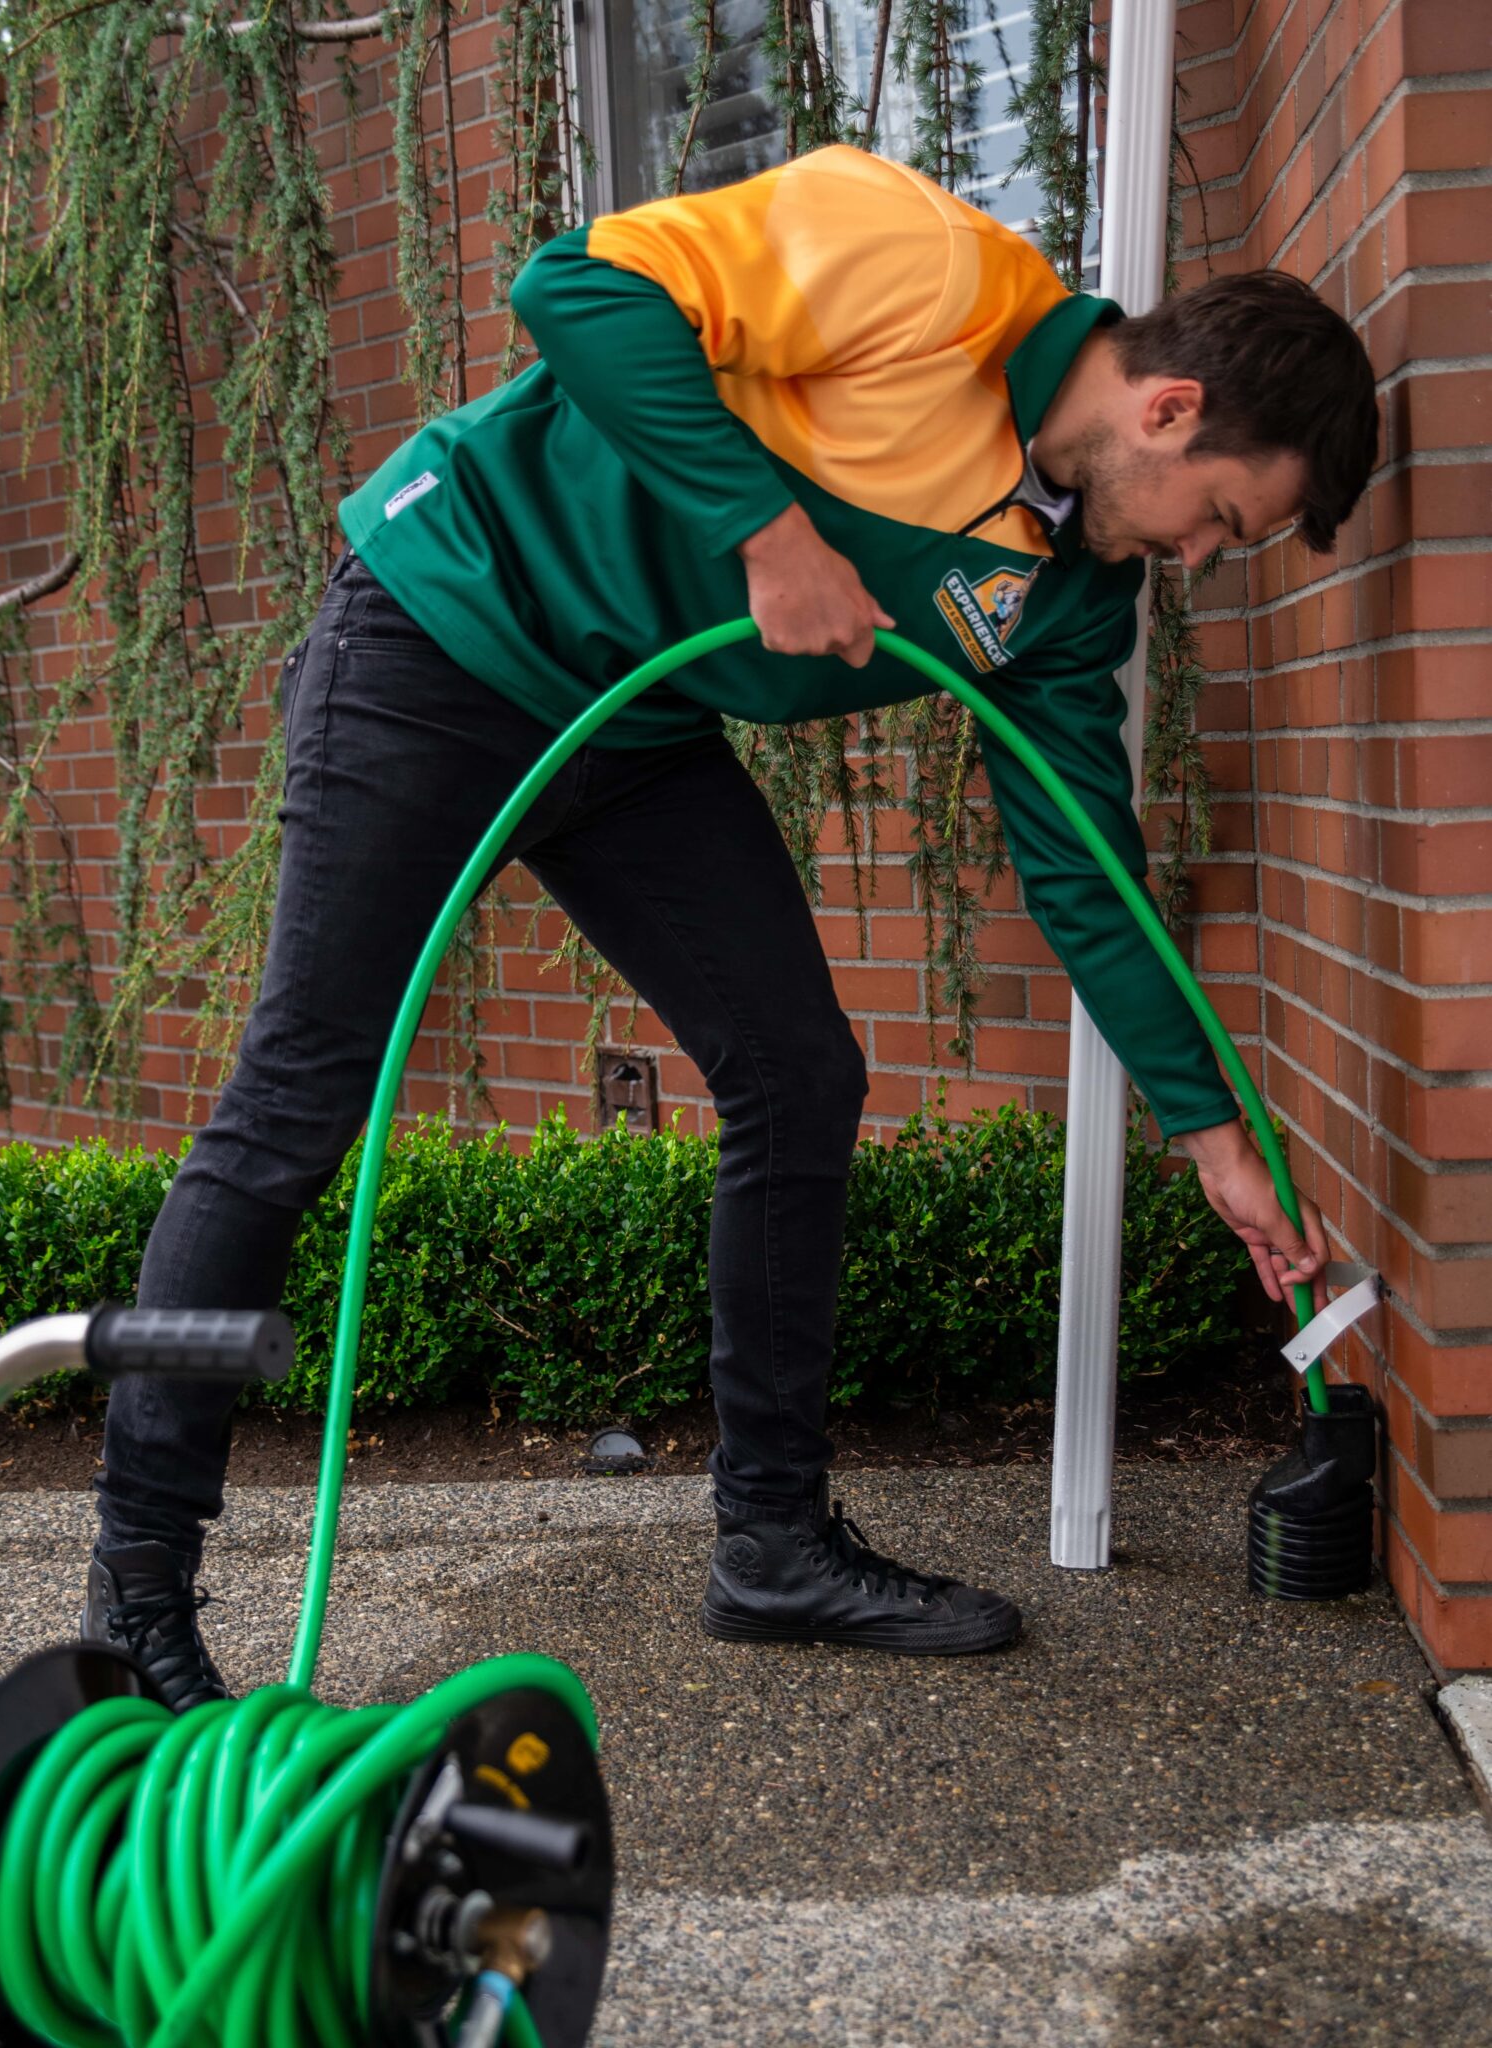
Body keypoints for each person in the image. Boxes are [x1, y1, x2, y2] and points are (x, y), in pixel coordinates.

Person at [83, 144, 1374, 1708]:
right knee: (298, 1099)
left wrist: (1210, 1131)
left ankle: (770, 1543)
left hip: (629, 730)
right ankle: (135, 1603)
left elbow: (1080, 860)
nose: (1194, 558)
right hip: (445, 623)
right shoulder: (930, 267)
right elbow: (577, 288)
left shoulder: (1068, 591)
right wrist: (770, 534)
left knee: (795, 1069)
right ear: (1167, 410)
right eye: (1218, 520)